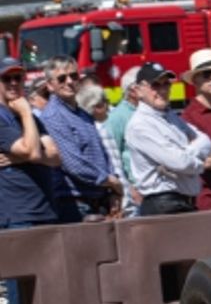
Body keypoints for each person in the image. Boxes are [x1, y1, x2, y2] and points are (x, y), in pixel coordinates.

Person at [0, 57, 60, 304]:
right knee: (21, 303)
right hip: (17, 215)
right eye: (7, 79)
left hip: (44, 210)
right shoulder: (7, 116)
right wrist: (25, 112)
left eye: (19, 78)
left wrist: (17, 157)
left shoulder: (33, 119)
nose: (14, 83)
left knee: (49, 295)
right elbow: (33, 151)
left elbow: (55, 156)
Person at [38, 56, 121, 222]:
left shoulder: (82, 113)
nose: (69, 81)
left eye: (73, 76)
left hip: (98, 199)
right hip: (75, 204)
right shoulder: (53, 116)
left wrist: (111, 192)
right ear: (50, 85)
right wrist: (111, 181)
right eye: (61, 78)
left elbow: (102, 153)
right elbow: (74, 164)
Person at [125, 62, 211, 216]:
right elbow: (180, 162)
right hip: (163, 206)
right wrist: (199, 163)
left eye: (166, 83)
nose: (163, 89)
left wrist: (185, 153)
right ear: (139, 90)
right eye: (156, 85)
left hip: (182, 203)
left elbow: (206, 140)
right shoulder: (140, 125)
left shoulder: (171, 116)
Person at [75, 83, 136, 217]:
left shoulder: (86, 130)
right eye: (106, 101)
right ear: (98, 107)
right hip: (120, 200)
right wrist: (123, 197)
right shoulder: (101, 132)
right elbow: (116, 168)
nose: (109, 106)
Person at [180, 49, 211, 210]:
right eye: (207, 74)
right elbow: (204, 161)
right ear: (195, 80)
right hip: (210, 197)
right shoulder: (189, 118)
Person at [105, 66, 140, 185]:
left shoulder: (149, 112)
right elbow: (112, 155)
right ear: (132, 91)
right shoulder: (117, 117)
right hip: (134, 186)